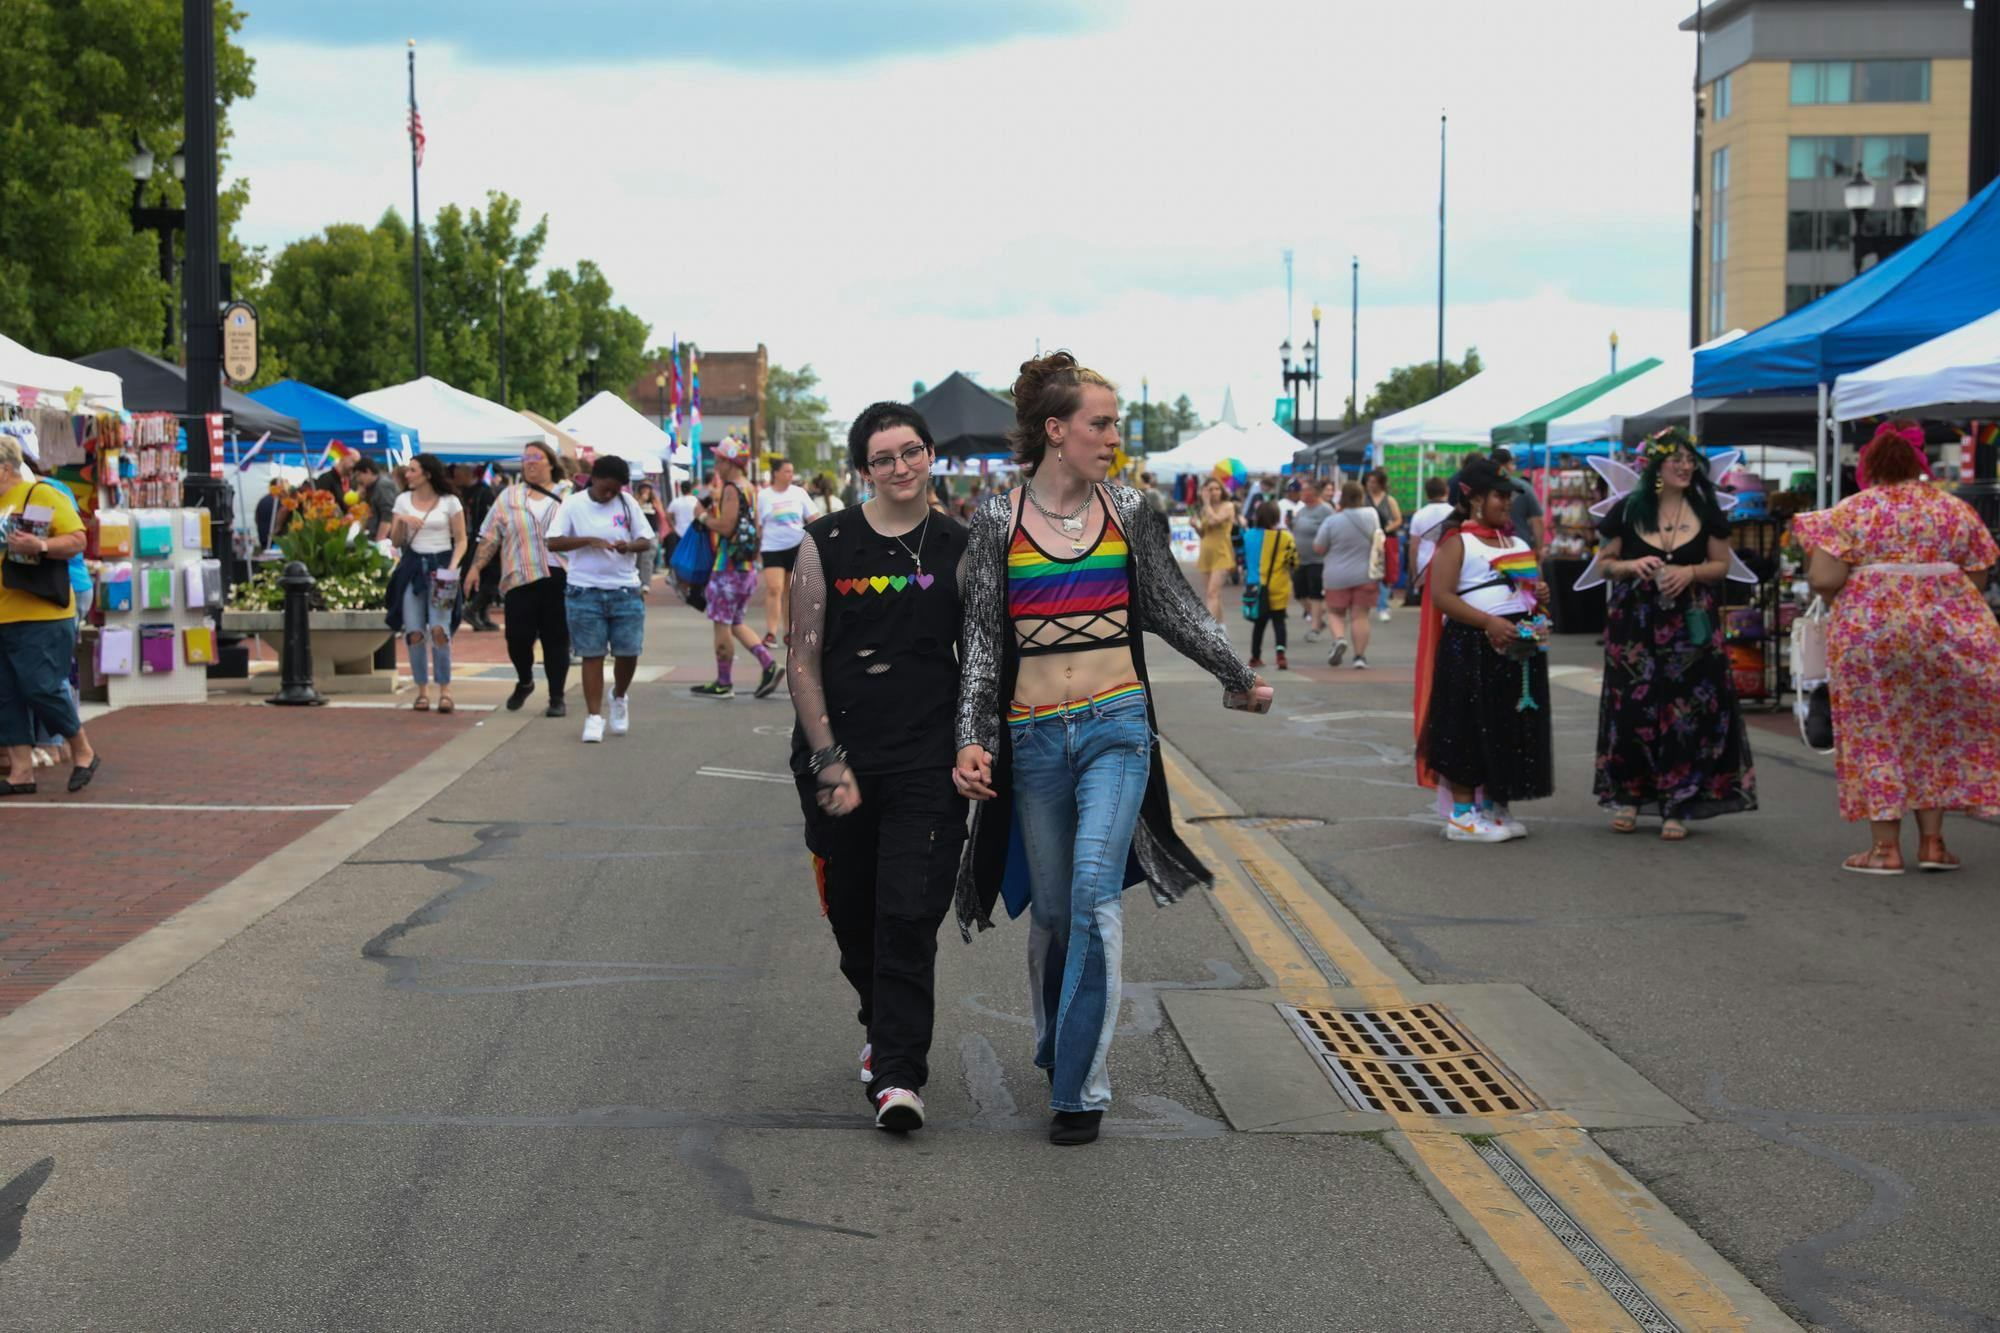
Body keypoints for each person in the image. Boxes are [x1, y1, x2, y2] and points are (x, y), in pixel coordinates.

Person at [953, 351, 1272, 1147]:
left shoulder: (1129, 509)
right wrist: (972, 738)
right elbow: (985, 644)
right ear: (1056, 431)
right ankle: (1056, 1040)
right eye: (1101, 424)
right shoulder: (998, 520)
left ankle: (1080, 1087)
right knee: (1056, 912)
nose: (1114, 438)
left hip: (1117, 728)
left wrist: (1238, 673)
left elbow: (1171, 606)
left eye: (1116, 424)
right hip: (1031, 737)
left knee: (1095, 892)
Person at [788, 402, 969, 1133]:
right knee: (853, 915)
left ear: (931, 455)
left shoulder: (963, 544)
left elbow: (983, 654)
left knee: (907, 914)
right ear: (864, 468)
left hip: (928, 761)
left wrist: (975, 741)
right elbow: (801, 658)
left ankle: (898, 1075)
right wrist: (829, 758)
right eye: (884, 457)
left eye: (912, 451)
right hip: (841, 763)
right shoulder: (823, 542)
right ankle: (878, 1015)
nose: (901, 467)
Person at [1790, 420, 2000, 874]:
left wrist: (1858, 594)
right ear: (1919, 463)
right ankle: (1934, 845)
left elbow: (1825, 578)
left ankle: (1885, 851)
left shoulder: (1851, 511)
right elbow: (1979, 576)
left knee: (1875, 732)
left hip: (1871, 637)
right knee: (1934, 732)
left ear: (1869, 465)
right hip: (1947, 636)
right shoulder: (1953, 510)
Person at [1591, 429, 1756, 839]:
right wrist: (1631, 566)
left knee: (1686, 714)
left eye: (1689, 459)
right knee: (1631, 710)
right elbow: (1604, 564)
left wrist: (1690, 572)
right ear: (1655, 466)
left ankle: (1677, 803)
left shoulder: (1707, 510)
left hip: (1690, 625)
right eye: (1675, 459)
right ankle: (1629, 795)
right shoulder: (1629, 510)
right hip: (1635, 625)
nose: (1684, 466)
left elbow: (1720, 566)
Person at [1413, 456, 1552, 842]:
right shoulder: (1459, 542)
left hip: (1516, 651)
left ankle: (1494, 804)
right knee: (1467, 726)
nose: (1507, 503)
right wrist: (1488, 622)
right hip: (1470, 647)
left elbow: (1528, 589)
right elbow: (1440, 595)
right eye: (1499, 496)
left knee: (1507, 725)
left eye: (1509, 497)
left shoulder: (1518, 542)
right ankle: (1462, 815)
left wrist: (1539, 593)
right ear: (1476, 499)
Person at [2, 437, 99, 793]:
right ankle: (21, 772)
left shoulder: (40, 494)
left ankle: (83, 750)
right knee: (6, 694)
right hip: (3, 615)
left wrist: (40, 545)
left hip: (40, 611)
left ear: (5, 468)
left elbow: (76, 539)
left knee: (41, 687)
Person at [546, 456, 652, 742]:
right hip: (584, 590)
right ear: (593, 478)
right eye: (606, 488)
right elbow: (552, 541)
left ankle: (619, 695)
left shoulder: (627, 503)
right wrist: (588, 540)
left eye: (615, 490)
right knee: (592, 654)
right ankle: (594, 717)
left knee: (629, 652)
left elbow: (647, 540)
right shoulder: (573, 504)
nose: (609, 495)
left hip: (624, 589)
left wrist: (627, 545)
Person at [466, 440, 571, 717]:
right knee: (517, 639)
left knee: (556, 640)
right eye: (525, 459)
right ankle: (525, 681)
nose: (530, 462)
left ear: (551, 462)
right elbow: (490, 535)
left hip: (559, 577)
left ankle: (557, 697)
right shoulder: (509, 497)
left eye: (536, 457)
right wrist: (476, 567)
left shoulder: (569, 494)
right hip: (519, 578)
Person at [690, 439, 781, 699]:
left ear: (730, 463)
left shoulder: (732, 488)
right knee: (736, 622)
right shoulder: (750, 488)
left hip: (728, 568)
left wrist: (703, 516)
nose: (716, 465)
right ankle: (769, 664)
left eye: (719, 460)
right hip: (746, 567)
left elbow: (727, 527)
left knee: (721, 623)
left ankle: (723, 682)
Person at [386, 453, 467, 714]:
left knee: (440, 630)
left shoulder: (449, 502)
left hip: (442, 568)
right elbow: (397, 542)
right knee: (414, 631)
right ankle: (422, 689)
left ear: (427, 474)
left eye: (412, 470)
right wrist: (401, 521)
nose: (407, 474)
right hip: (412, 568)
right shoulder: (402, 501)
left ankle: (445, 689)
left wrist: (453, 566)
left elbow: (461, 539)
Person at [1314, 480, 1381, 669]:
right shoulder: (1371, 514)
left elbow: (1318, 548)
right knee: (1360, 616)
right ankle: (1359, 657)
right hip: (1366, 574)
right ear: (1362, 496)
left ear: (1341, 497)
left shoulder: (1332, 520)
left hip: (1336, 576)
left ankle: (1340, 639)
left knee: (1336, 612)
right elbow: (1378, 537)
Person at [756, 459, 813, 647]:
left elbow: (813, 516)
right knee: (774, 588)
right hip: (772, 547)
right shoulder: (763, 495)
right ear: (776, 474)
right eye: (787, 471)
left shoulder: (799, 493)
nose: (790, 475)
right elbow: (758, 525)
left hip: (796, 545)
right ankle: (771, 632)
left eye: (791, 471)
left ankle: (789, 632)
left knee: (791, 591)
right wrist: (757, 549)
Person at [1242, 500, 1298, 670]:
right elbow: (1293, 562)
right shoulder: (1285, 537)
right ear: (1276, 517)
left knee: (1259, 624)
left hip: (1255, 587)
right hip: (1278, 587)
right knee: (1279, 622)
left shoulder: (1249, 535)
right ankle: (1280, 655)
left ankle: (1255, 657)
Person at [1287, 479, 1332, 640]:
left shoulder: (1325, 510)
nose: (1301, 493)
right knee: (1299, 593)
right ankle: (1317, 615)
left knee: (1315, 594)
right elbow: (1299, 528)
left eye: (1304, 490)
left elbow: (1331, 531)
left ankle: (1315, 626)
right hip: (1300, 558)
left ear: (1313, 492)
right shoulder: (1303, 510)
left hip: (1318, 559)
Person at [1404, 475, 1454, 609]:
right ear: (1447, 490)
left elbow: (1414, 548)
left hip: (1425, 566)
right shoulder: (1454, 514)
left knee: (1428, 607)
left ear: (1427, 494)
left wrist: (1415, 573)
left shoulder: (1419, 515)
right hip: (1450, 565)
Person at [1194, 477, 1237, 620]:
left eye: (1216, 488)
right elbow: (1204, 533)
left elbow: (1215, 520)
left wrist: (1206, 504)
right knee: (1213, 594)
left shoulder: (1228, 506)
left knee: (1212, 593)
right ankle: (1221, 628)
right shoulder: (1206, 509)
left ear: (1222, 490)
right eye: (1210, 489)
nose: (1213, 492)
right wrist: (1195, 527)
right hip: (1207, 554)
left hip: (1222, 553)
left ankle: (1210, 632)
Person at [1490, 448, 1544, 555]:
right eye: (1512, 463)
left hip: (1490, 547)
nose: (1514, 467)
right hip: (1520, 549)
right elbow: (1537, 521)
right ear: (1505, 465)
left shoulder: (1483, 488)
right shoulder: (1524, 487)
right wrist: (1539, 549)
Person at [1365, 468, 1403, 623]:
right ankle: (1366, 605)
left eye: (1373, 482)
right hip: (1368, 540)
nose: (1370, 485)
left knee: (1386, 573)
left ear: (1380, 484)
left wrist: (1385, 530)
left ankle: (1383, 606)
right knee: (1368, 573)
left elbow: (1398, 519)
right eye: (1368, 481)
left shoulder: (1390, 500)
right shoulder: (1364, 498)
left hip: (1387, 540)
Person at [632, 479, 667, 594]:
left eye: (648, 488)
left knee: (647, 559)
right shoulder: (635, 501)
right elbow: (633, 512)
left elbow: (662, 517)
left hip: (652, 533)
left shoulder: (655, 501)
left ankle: (646, 584)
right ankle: (637, 581)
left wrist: (662, 533)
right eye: (643, 487)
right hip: (637, 534)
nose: (645, 490)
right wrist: (642, 500)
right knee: (637, 559)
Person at [354, 457, 397, 541]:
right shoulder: (372, 487)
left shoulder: (382, 485)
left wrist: (380, 540)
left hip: (384, 539)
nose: (358, 479)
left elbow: (388, 514)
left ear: (368, 471)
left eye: (359, 475)